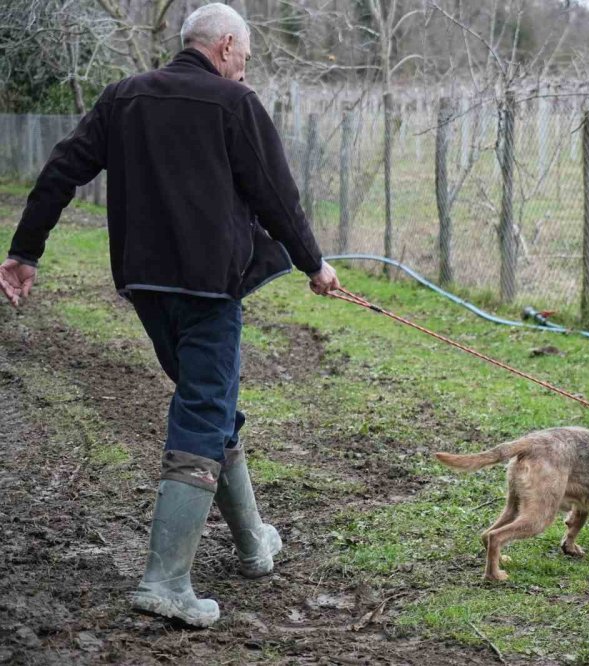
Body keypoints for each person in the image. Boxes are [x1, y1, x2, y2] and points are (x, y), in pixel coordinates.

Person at [0, 3, 341, 626]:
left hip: (145, 285)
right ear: (228, 46)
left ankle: (253, 541)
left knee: (209, 401)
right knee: (204, 410)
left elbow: (61, 169)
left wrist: (25, 251)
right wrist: (314, 264)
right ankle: (165, 581)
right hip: (210, 289)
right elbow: (277, 194)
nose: (244, 69)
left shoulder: (123, 97)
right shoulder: (235, 104)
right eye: (245, 57)